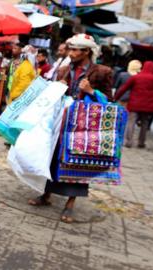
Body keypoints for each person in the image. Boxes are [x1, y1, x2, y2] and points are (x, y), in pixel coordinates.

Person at [28, 34, 113, 223]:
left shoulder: (102, 71)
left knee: (77, 164)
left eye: (75, 50)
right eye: (70, 49)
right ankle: (46, 195)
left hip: (84, 127)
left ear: (86, 52)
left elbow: (110, 101)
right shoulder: (63, 70)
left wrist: (92, 91)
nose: (71, 53)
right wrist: (58, 88)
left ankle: (70, 205)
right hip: (61, 122)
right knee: (53, 158)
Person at [114, 61, 153, 148]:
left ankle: (128, 142)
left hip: (134, 103)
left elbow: (124, 88)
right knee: (145, 123)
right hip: (149, 105)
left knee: (131, 121)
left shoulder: (136, 77)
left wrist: (116, 97)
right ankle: (141, 142)